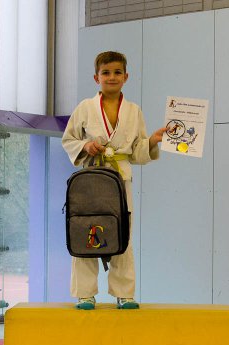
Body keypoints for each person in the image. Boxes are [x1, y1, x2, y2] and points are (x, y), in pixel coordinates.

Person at [62, 51, 165, 310]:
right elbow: (69, 139)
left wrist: (152, 141)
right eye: (106, 73)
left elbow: (137, 152)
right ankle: (85, 293)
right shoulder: (85, 107)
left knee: (122, 232)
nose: (112, 77)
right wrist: (86, 145)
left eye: (117, 72)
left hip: (120, 178)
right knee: (86, 229)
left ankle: (124, 293)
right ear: (96, 77)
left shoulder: (134, 111)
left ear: (126, 77)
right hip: (91, 177)